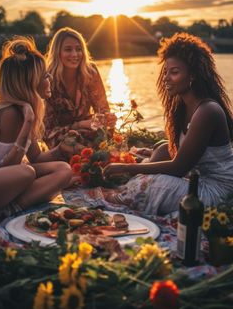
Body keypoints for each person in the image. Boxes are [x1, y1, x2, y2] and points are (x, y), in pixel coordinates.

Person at [98, 32, 233, 215]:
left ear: (192, 74)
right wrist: (150, 155)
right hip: (197, 178)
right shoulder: (184, 106)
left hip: (215, 192)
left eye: (174, 72)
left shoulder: (207, 111)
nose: (166, 77)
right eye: (166, 72)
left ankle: (117, 198)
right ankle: (133, 186)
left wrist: (125, 167)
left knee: (150, 183)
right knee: (162, 148)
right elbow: (181, 152)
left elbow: (179, 167)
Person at [0, 36, 73, 224]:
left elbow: (37, 158)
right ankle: (7, 210)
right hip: (1, 181)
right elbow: (6, 168)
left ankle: (9, 208)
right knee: (26, 172)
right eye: (45, 75)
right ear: (31, 82)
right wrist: (27, 124)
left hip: (8, 183)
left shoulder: (24, 111)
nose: (50, 78)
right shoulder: (5, 114)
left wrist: (62, 148)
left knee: (64, 170)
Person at [43, 27, 116, 149]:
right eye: (68, 49)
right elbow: (47, 130)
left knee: (103, 134)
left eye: (78, 49)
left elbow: (102, 109)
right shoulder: (48, 79)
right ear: (57, 52)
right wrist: (79, 125)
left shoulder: (90, 72)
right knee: (72, 142)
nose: (74, 54)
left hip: (88, 131)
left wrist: (108, 118)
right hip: (60, 138)